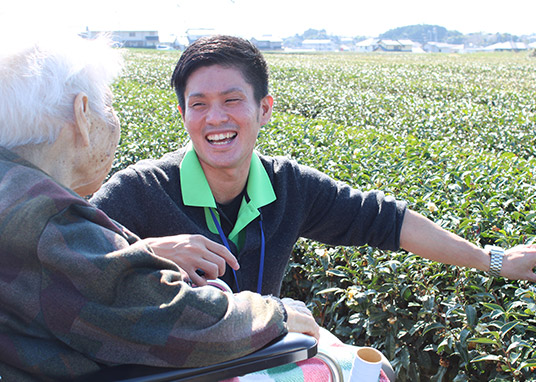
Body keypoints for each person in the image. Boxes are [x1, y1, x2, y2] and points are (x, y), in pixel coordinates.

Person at [90, 35, 536, 378]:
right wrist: (145, 250)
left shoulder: (289, 187)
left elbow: (386, 221)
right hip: (163, 372)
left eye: (232, 101)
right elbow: (55, 260)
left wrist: (494, 259)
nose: (216, 119)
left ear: (264, 109)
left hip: (255, 363)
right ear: (184, 115)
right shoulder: (141, 189)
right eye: (198, 104)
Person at [0, 34, 320, 382]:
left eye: (231, 100)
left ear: (264, 109)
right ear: (81, 115)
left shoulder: (15, 189)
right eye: (107, 105)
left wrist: (143, 250)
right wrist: (277, 315)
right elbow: (160, 317)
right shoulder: (49, 220)